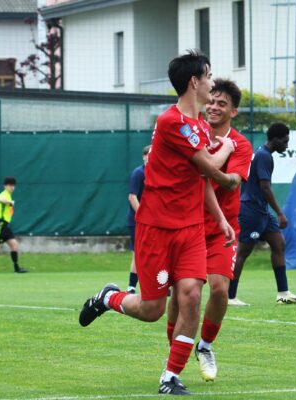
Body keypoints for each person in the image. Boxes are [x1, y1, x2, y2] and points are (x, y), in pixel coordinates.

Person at [78, 50, 237, 396]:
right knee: (152, 309)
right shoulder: (172, 122)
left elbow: (200, 179)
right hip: (157, 229)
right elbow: (211, 167)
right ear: (194, 82)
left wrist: (221, 219)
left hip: (191, 229)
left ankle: (170, 375)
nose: (212, 82)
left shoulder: (198, 126)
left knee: (192, 295)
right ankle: (108, 298)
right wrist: (228, 147)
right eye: (208, 75)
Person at [167, 78, 253, 382]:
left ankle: (204, 345)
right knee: (180, 295)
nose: (215, 107)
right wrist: (213, 162)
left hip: (222, 229)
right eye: (212, 101)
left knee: (220, 288)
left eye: (222, 104)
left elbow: (233, 181)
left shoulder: (240, 144)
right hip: (185, 226)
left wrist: (216, 166)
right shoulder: (192, 133)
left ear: (234, 111)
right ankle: (173, 356)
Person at [228, 123, 296, 306]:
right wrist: (280, 213)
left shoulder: (261, 152)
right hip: (252, 210)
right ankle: (229, 296)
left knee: (279, 243)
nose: (286, 146)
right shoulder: (264, 156)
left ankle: (283, 293)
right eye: (285, 142)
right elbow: (265, 187)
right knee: (243, 251)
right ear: (276, 139)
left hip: (261, 210)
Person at [125, 145, 151, 294]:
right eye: (148, 154)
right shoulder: (139, 173)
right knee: (139, 252)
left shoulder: (159, 172)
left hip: (154, 222)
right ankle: (131, 287)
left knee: (155, 253)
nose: (150, 157)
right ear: (143, 156)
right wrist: (143, 215)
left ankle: (159, 285)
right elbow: (132, 196)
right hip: (137, 221)